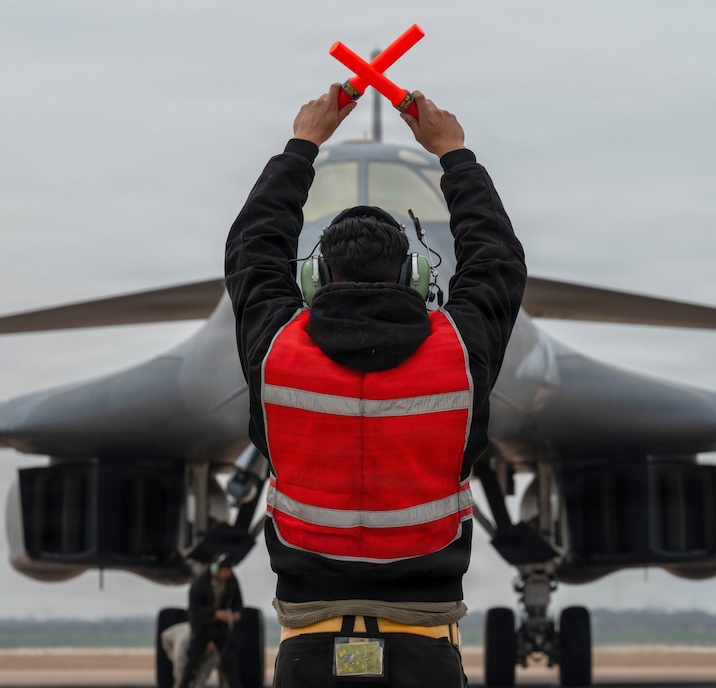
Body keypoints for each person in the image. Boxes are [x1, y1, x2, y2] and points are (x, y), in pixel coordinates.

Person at [224, 84, 526, 687]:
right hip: (426, 649)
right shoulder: (459, 357)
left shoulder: (278, 355)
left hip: (307, 650)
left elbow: (253, 251)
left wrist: (301, 145)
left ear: (313, 278)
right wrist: (454, 153)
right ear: (415, 276)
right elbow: (496, 262)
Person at [181, 554, 243, 688]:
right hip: (202, 627)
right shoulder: (201, 582)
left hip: (221, 627)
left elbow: (237, 600)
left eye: (229, 571)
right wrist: (214, 614)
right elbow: (194, 609)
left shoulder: (231, 580)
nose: (227, 574)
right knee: (192, 663)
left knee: (229, 661)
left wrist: (236, 612)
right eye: (224, 571)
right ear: (216, 569)